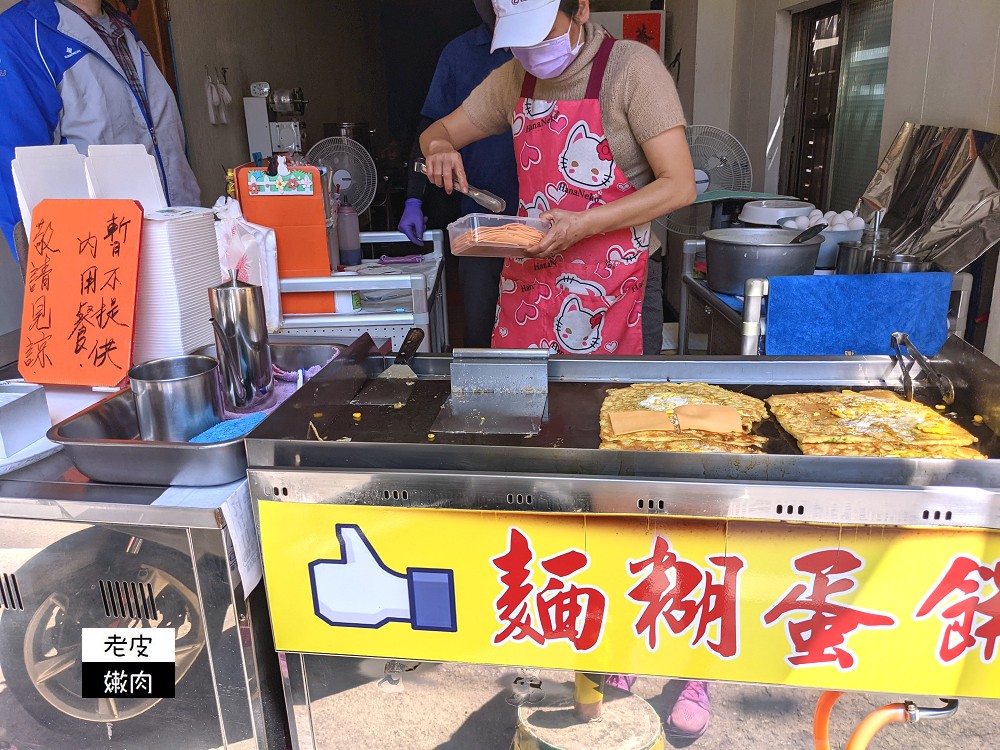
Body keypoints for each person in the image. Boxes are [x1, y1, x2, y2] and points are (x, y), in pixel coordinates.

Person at [421, 0, 695, 358]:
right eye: (521, 41)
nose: (531, 52)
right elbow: (437, 131)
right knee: (524, 397)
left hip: (618, 279)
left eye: (541, 35)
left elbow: (679, 184)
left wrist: (582, 224)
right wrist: (439, 146)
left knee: (614, 403)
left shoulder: (631, 68)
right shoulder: (513, 79)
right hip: (533, 273)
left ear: (581, 9)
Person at [0, 0, 201, 256]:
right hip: (104, 263)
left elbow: (157, 136)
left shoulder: (121, 26)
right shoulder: (18, 36)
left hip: (181, 237)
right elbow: (18, 181)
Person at [399, 0, 518, 348]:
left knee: (539, 330)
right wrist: (412, 197)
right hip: (481, 218)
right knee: (480, 329)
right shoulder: (459, 54)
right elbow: (431, 130)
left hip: (547, 217)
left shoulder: (547, 55)